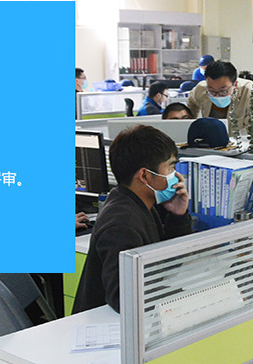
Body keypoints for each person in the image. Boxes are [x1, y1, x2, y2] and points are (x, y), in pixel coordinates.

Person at [73, 125, 192, 313]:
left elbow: (166, 265)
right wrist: (187, 297)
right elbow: (124, 299)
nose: (176, 175)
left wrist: (178, 216)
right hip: (106, 323)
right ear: (145, 175)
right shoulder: (122, 225)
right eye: (170, 167)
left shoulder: (138, 203)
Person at [186, 61, 253, 138]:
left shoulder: (251, 92)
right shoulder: (200, 89)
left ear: (235, 85)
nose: (217, 96)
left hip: (251, 141)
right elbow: (191, 106)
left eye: (223, 91)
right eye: (212, 91)